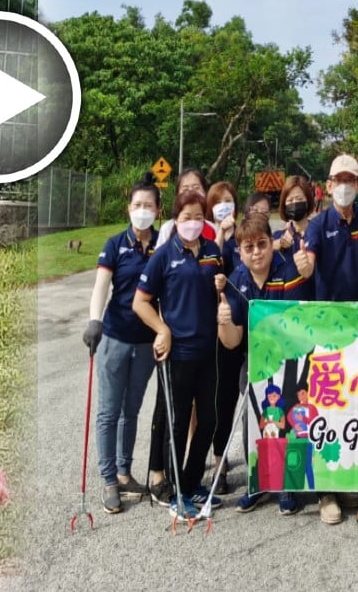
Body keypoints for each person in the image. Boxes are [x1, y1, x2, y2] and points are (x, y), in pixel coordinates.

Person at [133, 189, 225, 520]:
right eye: (186, 217)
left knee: (209, 420)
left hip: (207, 350)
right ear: (175, 220)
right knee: (179, 420)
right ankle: (175, 493)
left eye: (198, 217)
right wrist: (162, 329)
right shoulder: (164, 254)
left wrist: (222, 284)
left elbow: (220, 289)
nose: (192, 223)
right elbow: (140, 301)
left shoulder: (213, 251)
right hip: (178, 354)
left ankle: (190, 481)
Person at [298, 153, 358, 525]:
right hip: (326, 331)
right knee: (325, 406)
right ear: (328, 186)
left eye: (351, 180)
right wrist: (305, 264)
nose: (344, 186)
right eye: (338, 180)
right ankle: (326, 489)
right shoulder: (318, 224)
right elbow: (308, 258)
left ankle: (350, 478)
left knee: (355, 404)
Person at [219, 212, 306, 516]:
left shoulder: (290, 268)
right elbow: (232, 341)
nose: (256, 252)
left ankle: (287, 485)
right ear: (240, 252)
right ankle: (258, 483)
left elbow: (295, 321)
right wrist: (225, 322)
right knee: (254, 423)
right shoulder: (237, 280)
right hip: (253, 360)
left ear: (272, 244)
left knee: (286, 419)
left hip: (288, 357)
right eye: (248, 247)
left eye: (262, 244)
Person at [82, 172, 160, 514]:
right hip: (115, 337)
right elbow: (102, 285)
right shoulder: (115, 244)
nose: (142, 210)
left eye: (149, 205)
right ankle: (109, 478)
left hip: (145, 343)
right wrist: (94, 319)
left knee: (131, 411)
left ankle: (125, 471)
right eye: (137, 205)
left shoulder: (163, 244)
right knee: (108, 411)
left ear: (158, 210)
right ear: (129, 208)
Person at [205, 181, 241, 494]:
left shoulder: (243, 236)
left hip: (251, 323)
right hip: (223, 325)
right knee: (224, 397)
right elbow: (210, 272)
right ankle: (220, 461)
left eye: (229, 201)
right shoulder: (206, 239)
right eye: (218, 202)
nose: (224, 206)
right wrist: (219, 235)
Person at [271, 175, 316, 300]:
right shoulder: (278, 237)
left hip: (318, 307)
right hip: (289, 310)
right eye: (290, 200)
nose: (295, 203)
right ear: (284, 205)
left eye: (299, 198)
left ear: (308, 201)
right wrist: (275, 245)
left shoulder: (319, 232)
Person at [157, 167, 217, 243]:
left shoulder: (213, 229)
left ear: (205, 192)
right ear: (177, 195)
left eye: (196, 188)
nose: (191, 192)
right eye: (185, 189)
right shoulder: (167, 229)